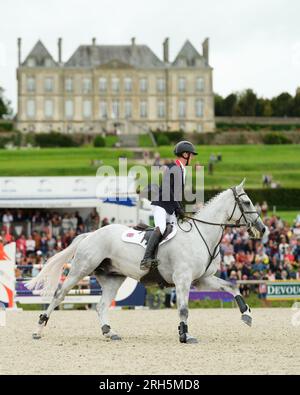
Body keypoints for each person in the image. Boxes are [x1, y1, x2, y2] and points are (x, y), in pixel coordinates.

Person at [140, 140, 198, 270]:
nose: (192, 157)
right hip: (161, 204)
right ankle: (146, 259)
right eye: (191, 154)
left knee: (177, 233)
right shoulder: (173, 168)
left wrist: (179, 209)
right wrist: (179, 208)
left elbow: (176, 193)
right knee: (160, 228)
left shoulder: (183, 170)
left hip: (170, 207)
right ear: (184, 154)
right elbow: (167, 189)